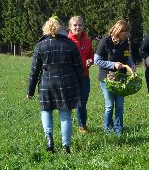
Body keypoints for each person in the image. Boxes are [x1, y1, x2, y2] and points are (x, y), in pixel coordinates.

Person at [27, 16, 83, 153]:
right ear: (61, 28)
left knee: (46, 111)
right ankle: (66, 146)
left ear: (46, 28)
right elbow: (79, 68)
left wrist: (30, 90)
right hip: (66, 84)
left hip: (46, 83)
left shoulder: (40, 45)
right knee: (65, 115)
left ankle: (49, 139)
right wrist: (80, 86)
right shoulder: (70, 44)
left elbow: (34, 71)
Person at [95, 19, 135, 135]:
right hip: (107, 79)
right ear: (119, 31)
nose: (127, 35)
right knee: (109, 106)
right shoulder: (104, 42)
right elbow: (97, 60)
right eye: (125, 32)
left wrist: (131, 64)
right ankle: (108, 129)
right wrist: (113, 65)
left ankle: (118, 129)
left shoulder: (125, 43)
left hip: (121, 78)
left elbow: (127, 57)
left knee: (120, 106)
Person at [68, 15, 94, 134]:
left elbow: (91, 55)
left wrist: (91, 60)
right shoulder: (67, 41)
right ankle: (67, 127)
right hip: (70, 78)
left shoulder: (87, 40)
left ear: (83, 26)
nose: (77, 27)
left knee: (82, 103)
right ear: (70, 27)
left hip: (84, 76)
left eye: (80, 25)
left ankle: (82, 126)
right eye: (75, 25)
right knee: (68, 104)